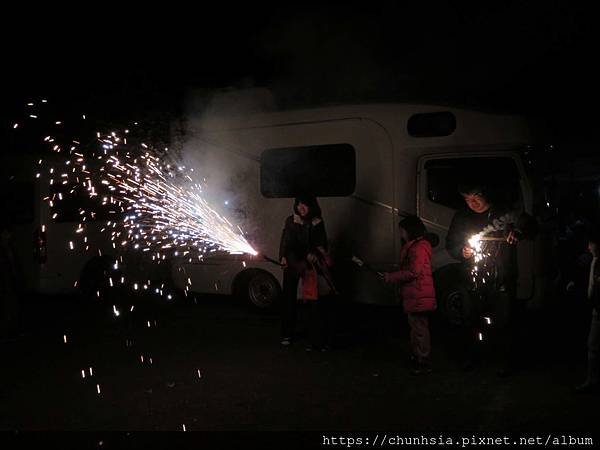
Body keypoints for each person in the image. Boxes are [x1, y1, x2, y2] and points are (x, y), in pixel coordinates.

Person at [445, 180, 537, 375]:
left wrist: (518, 232)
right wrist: (462, 252)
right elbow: (451, 244)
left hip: (502, 277)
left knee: (504, 319)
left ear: (485, 193)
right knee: (472, 318)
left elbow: (531, 225)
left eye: (476, 196)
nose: (472, 202)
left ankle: (506, 362)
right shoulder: (461, 217)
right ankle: (474, 357)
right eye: (467, 199)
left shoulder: (504, 213)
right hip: (472, 278)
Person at [383, 216, 436, 375]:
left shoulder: (418, 247)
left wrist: (392, 277)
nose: (401, 234)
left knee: (419, 329)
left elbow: (414, 272)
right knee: (416, 328)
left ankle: (423, 360)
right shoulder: (414, 246)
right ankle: (418, 356)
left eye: (403, 231)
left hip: (419, 294)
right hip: (415, 294)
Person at [279, 196, 332, 351]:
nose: (301, 207)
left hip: (309, 265)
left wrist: (315, 255)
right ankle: (287, 333)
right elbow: (286, 241)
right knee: (288, 298)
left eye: (305, 205)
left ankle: (314, 337)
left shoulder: (317, 221)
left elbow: (321, 243)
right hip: (292, 263)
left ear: (312, 206)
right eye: (299, 204)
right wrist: (282, 256)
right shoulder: (291, 220)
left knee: (312, 300)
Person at [575, 231, 600, 393]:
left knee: (594, 345)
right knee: (592, 345)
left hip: (599, 309)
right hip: (595, 309)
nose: (589, 247)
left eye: (591, 243)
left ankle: (592, 380)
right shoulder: (593, 260)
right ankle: (592, 379)